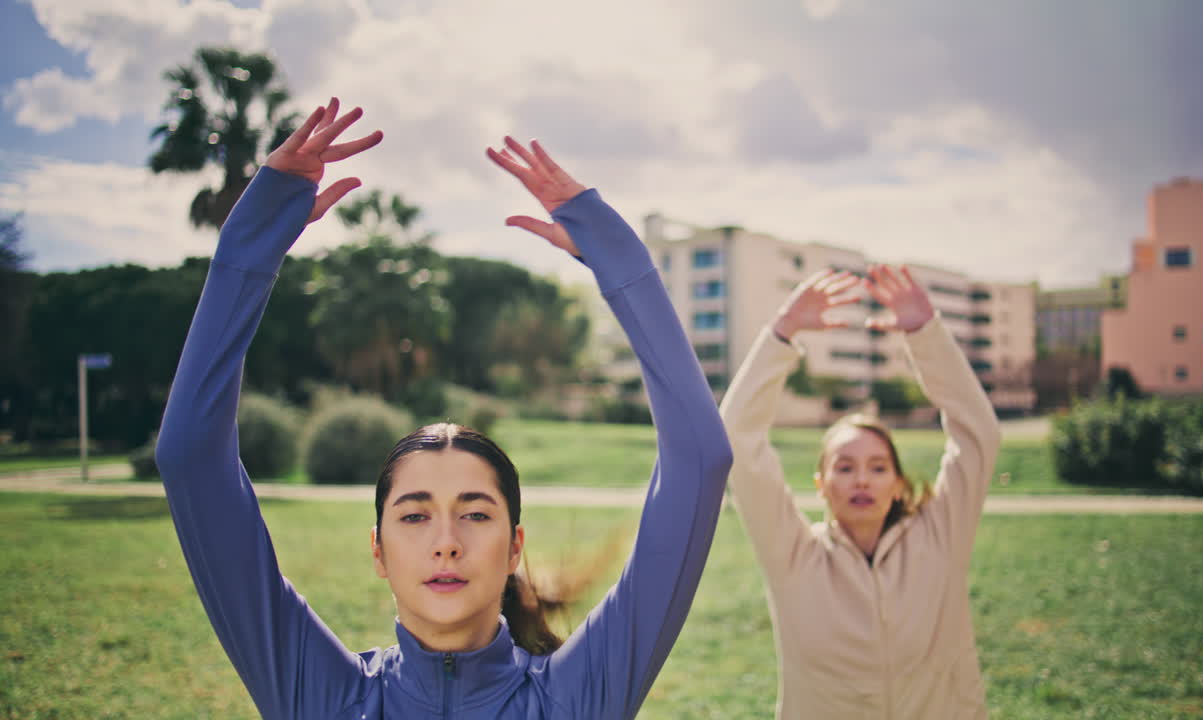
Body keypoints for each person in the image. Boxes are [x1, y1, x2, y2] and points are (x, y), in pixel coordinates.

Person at [156, 97, 732, 719]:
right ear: (377, 550)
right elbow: (191, 457)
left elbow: (700, 459)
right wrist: (251, 245)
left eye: (476, 515)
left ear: (514, 548)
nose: (446, 543)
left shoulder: (576, 698)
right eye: (413, 516)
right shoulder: (322, 697)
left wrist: (615, 256)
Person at [719, 266, 1001, 719]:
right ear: (822, 486)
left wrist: (926, 336)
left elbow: (979, 435)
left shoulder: (941, 536)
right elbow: (737, 436)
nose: (862, 480)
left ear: (898, 484)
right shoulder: (793, 556)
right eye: (845, 467)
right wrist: (783, 332)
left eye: (878, 467)